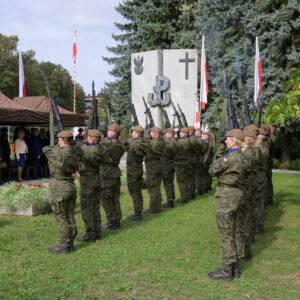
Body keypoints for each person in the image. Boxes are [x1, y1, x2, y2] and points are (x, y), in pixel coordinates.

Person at [208, 129, 246, 281]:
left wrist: (219, 153)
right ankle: (235, 268)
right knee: (235, 231)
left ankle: (226, 269)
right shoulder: (242, 156)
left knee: (226, 234)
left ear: (234, 141)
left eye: (228, 139)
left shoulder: (229, 158)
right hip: (237, 194)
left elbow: (212, 170)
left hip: (226, 196)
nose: (225, 142)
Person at [43, 130, 82, 254]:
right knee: (69, 215)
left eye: (59, 139)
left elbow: (45, 149)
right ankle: (70, 242)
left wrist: (59, 145)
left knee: (61, 217)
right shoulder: (75, 152)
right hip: (70, 185)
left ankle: (64, 244)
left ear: (62, 140)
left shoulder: (56, 152)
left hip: (60, 187)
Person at [78, 129, 105, 242]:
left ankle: (90, 233)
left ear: (91, 138)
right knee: (95, 206)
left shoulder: (89, 150)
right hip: (96, 179)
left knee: (87, 207)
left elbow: (81, 150)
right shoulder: (101, 148)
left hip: (88, 180)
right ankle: (97, 231)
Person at [100, 124, 126, 230]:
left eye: (109, 131)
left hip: (107, 173)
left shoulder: (109, 144)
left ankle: (112, 221)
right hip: (115, 172)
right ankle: (117, 219)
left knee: (107, 199)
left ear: (113, 133)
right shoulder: (120, 144)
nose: (107, 132)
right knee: (115, 198)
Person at [126, 125, 147, 221]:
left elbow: (130, 144)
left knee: (135, 192)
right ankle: (138, 211)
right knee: (136, 191)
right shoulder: (140, 142)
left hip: (134, 171)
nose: (131, 134)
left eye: (133, 133)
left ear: (137, 134)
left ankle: (138, 213)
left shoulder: (137, 143)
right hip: (136, 170)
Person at [144, 127, 165, 213]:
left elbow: (148, 145)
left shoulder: (155, 142)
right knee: (156, 186)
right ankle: (158, 204)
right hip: (158, 166)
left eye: (151, 132)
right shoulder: (160, 141)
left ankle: (154, 208)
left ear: (156, 134)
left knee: (153, 187)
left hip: (153, 167)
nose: (149, 134)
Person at [161, 128, 178, 208]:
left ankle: (170, 201)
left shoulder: (170, 142)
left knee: (167, 184)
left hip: (166, 165)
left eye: (166, 133)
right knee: (169, 183)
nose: (165, 135)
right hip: (171, 164)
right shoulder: (175, 141)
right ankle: (171, 200)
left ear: (170, 134)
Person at [174, 127, 192, 204]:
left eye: (180, 132)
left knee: (181, 181)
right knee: (185, 180)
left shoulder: (182, 141)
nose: (179, 133)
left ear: (184, 133)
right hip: (186, 162)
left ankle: (184, 198)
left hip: (181, 163)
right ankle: (185, 196)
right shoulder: (188, 140)